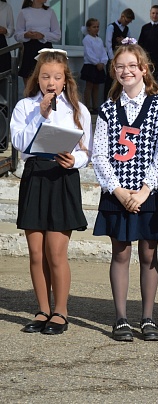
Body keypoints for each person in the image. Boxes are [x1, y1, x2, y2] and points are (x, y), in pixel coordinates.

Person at [92, 40, 158, 342]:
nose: (127, 71)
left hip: (147, 193)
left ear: (144, 69)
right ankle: (121, 318)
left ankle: (148, 317)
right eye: (120, 66)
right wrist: (119, 191)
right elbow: (100, 154)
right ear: (114, 70)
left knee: (149, 254)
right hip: (118, 193)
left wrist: (146, 190)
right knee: (121, 253)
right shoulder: (108, 108)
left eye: (132, 66)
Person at [10, 48, 92, 335]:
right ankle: (42, 309)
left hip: (62, 176)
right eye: (45, 76)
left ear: (65, 79)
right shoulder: (25, 107)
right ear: (38, 79)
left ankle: (61, 311)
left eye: (57, 77)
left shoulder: (78, 110)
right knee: (36, 252)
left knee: (55, 252)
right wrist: (41, 115)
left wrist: (75, 160)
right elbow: (19, 142)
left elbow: (86, 151)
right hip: (35, 176)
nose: (51, 82)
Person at [15, 0, 61, 83]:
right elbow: (17, 34)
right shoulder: (24, 12)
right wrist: (26, 35)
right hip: (29, 49)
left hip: (45, 49)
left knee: (46, 80)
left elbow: (57, 35)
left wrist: (43, 35)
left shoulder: (50, 12)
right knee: (29, 81)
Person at [104, 8, 134, 102]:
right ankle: (107, 100)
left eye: (129, 22)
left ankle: (118, 100)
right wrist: (112, 58)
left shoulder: (127, 29)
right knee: (109, 80)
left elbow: (130, 43)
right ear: (122, 16)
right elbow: (108, 43)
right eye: (126, 21)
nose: (127, 23)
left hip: (122, 58)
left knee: (121, 80)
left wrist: (123, 41)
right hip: (112, 57)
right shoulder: (111, 27)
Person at [80, 18, 108, 114]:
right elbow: (89, 53)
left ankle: (95, 106)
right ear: (88, 28)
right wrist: (96, 62)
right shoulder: (87, 39)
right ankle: (88, 106)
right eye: (94, 27)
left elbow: (103, 51)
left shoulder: (99, 40)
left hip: (99, 65)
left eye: (97, 27)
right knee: (89, 86)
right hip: (90, 65)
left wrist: (103, 62)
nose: (96, 29)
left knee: (96, 86)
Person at [0, 0, 15, 73]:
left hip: (1, 41)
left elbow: (11, 28)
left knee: (3, 70)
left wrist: (5, 30)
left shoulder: (6, 7)